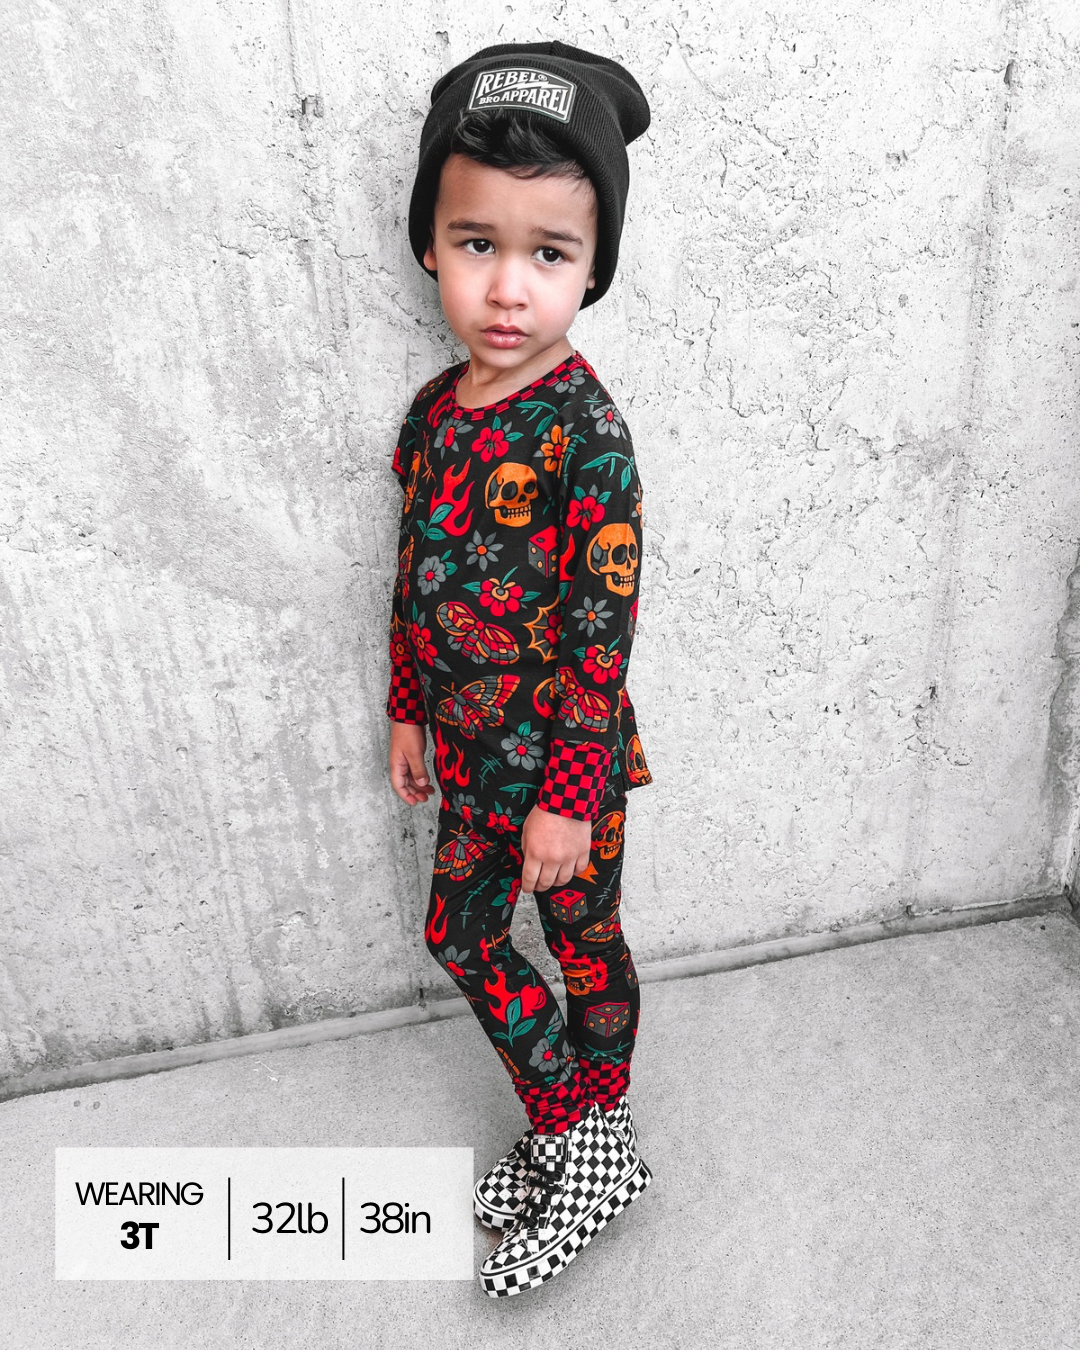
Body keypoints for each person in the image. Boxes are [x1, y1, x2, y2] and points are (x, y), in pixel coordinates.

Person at [385, 40, 655, 1298]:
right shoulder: (433, 416)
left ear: (591, 269)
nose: (507, 286)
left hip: (561, 770)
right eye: (476, 242)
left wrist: (566, 797)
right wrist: (407, 711)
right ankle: (574, 1131)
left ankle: (593, 1145)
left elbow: (602, 642)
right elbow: (413, 576)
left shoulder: (588, 438)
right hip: (470, 762)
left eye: (548, 253)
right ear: (430, 247)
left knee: (582, 935)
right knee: (463, 934)